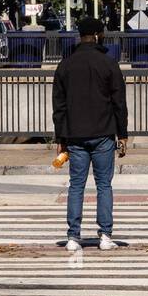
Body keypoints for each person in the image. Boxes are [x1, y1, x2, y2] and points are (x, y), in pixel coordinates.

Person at [52, 16, 127, 251]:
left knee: (76, 185)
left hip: (74, 134)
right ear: (97, 35)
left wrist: (60, 139)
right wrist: (122, 134)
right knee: (104, 185)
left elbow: (59, 106)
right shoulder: (108, 63)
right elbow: (119, 102)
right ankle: (105, 235)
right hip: (104, 132)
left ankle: (73, 236)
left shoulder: (65, 65)